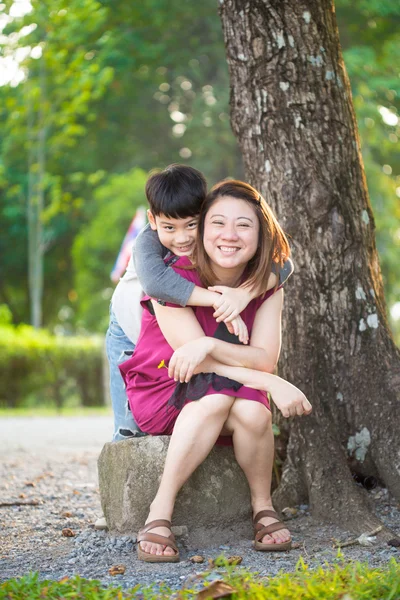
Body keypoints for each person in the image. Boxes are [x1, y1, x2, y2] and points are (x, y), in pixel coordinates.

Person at [119, 180, 312, 562]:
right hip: (168, 384)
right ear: (204, 228)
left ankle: (263, 507)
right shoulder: (172, 279)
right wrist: (271, 382)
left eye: (244, 225)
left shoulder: (266, 285)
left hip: (234, 386)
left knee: (254, 410)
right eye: (218, 223)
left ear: (261, 234)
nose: (229, 235)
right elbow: (199, 364)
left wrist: (211, 343)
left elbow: (262, 357)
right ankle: (159, 513)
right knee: (218, 397)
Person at [106, 165, 293, 441]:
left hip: (171, 335)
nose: (181, 238)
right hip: (128, 329)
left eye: (191, 225)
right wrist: (221, 301)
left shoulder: (213, 236)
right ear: (154, 220)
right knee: (129, 429)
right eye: (171, 228)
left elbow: (284, 265)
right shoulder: (148, 241)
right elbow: (159, 285)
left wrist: (243, 294)